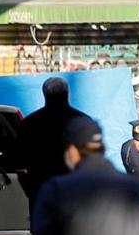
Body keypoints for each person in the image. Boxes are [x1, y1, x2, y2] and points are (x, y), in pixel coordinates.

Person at [16, 77, 88, 213]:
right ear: (67, 93)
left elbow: (20, 163)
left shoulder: (29, 124)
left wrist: (30, 190)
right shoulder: (83, 121)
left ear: (44, 94)